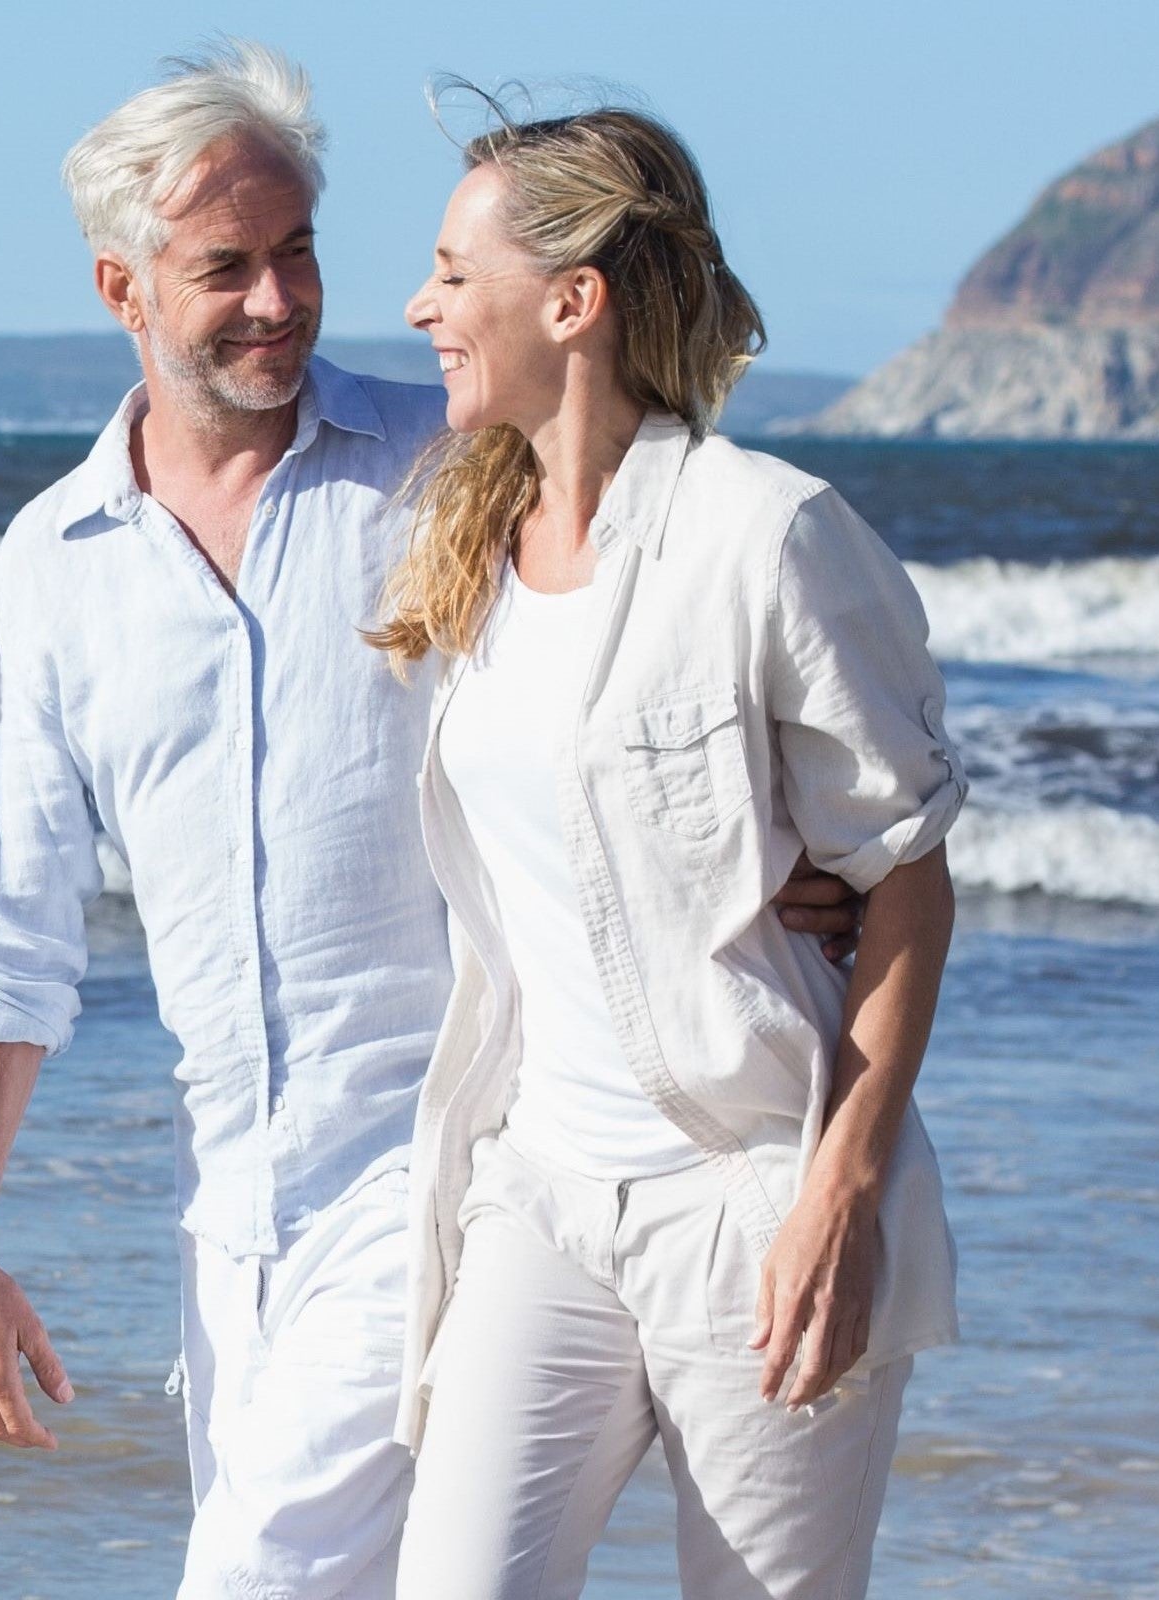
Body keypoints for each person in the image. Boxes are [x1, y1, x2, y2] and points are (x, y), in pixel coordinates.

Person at [0, 46, 868, 1599]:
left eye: (297, 252)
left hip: (439, 1169)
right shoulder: (51, 571)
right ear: (122, 287)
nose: (281, 301)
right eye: (227, 268)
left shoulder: (449, 471)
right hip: (227, 1219)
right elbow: (6, 935)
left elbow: (661, 629)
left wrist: (779, 854)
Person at [372, 105, 965, 1600]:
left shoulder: (769, 539)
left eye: (454, 273)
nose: (420, 307)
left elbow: (906, 879)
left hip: (751, 1194)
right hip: (538, 1192)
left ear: (573, 302)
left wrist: (839, 1195)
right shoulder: (466, 544)